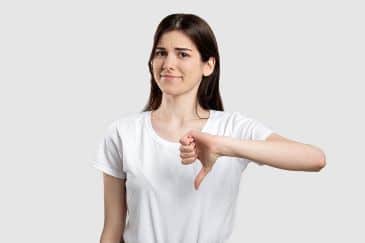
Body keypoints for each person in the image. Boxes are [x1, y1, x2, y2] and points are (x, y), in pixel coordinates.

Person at [93, 13, 326, 243]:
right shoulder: (123, 133)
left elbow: (314, 159)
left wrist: (222, 145)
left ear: (208, 65)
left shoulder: (232, 127)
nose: (168, 64)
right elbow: (112, 230)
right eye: (161, 53)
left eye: (182, 54)